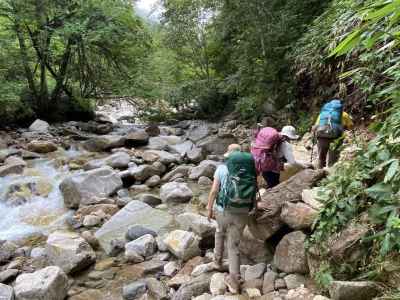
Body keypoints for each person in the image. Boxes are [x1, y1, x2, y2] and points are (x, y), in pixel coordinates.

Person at [207, 144, 257, 294]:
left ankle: (217, 261)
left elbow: (214, 190)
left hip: (224, 210)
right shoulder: (250, 170)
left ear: (228, 155)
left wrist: (209, 207)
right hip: (242, 211)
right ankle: (235, 281)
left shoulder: (222, 168)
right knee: (234, 246)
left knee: (219, 231)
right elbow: (254, 190)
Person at [312, 99, 353, 169]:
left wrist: (313, 137)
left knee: (321, 158)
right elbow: (351, 126)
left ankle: (318, 173)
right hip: (335, 138)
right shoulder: (344, 114)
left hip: (322, 136)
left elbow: (315, 127)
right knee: (333, 160)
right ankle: (331, 175)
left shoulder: (323, 114)